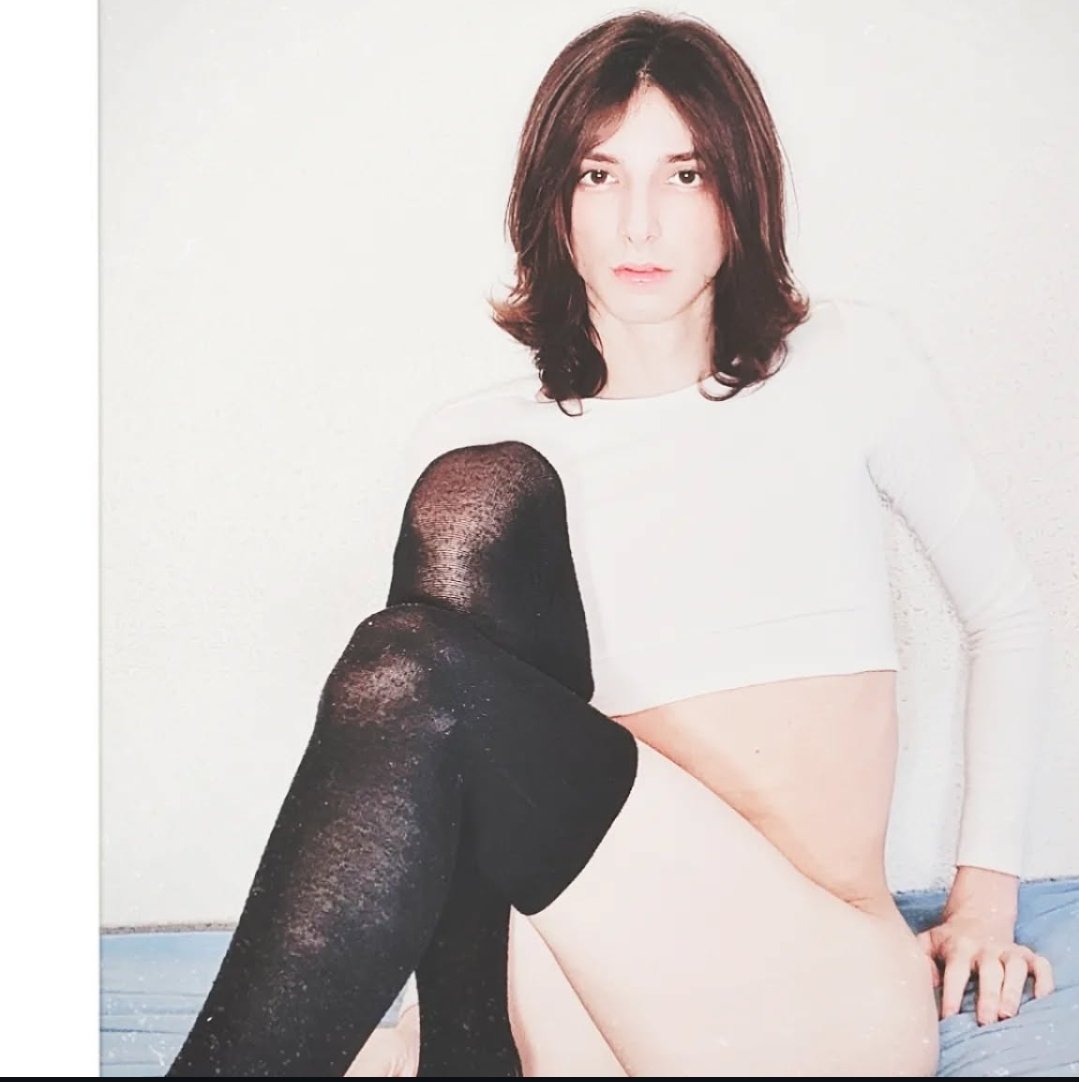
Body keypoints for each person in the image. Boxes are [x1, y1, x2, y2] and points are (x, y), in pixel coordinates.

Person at [168, 11, 1056, 1078]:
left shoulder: (849, 362)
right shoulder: (476, 442)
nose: (639, 223)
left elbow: (1004, 612)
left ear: (740, 193)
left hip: (804, 998)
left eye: (683, 175)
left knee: (414, 663)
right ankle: (460, 1042)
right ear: (554, 200)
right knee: (477, 494)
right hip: (575, 1000)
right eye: (599, 176)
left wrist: (983, 894)